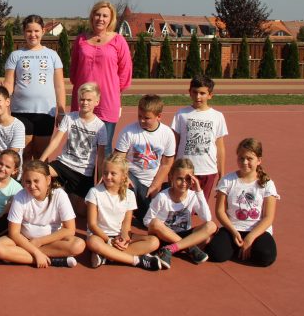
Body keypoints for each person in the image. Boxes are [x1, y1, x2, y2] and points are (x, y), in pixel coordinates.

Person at [0, 160, 84, 268]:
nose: (32, 186)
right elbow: (14, 233)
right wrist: (36, 252)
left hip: (51, 241)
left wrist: (39, 241)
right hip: (25, 240)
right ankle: (52, 260)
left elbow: (69, 229)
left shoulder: (59, 195)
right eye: (28, 182)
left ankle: (21, 256)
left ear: (48, 180)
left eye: (36, 181)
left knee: (78, 245)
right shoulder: (20, 197)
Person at [206, 138, 279, 267]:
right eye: (241, 158)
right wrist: (234, 232)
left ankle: (245, 247)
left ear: (259, 160)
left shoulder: (267, 184)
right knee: (215, 253)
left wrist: (250, 238)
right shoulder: (227, 180)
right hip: (232, 228)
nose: (245, 162)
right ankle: (237, 247)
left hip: (257, 231)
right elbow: (220, 211)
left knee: (266, 256)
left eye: (249, 159)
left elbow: (268, 217)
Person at [69, 0, 132, 148]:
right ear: (92, 16)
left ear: (111, 19)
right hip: (83, 99)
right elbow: (74, 70)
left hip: (107, 101)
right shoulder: (81, 39)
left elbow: (125, 72)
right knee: (79, 148)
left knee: (104, 148)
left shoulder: (118, 40)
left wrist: (113, 90)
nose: (101, 19)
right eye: (98, 14)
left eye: (105, 16)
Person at [85, 153, 162, 271]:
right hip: (100, 236)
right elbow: (92, 225)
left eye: (113, 173)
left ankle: (106, 256)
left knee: (154, 241)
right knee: (93, 242)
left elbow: (126, 226)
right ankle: (136, 260)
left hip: (118, 236)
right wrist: (109, 240)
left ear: (123, 176)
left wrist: (124, 239)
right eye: (105, 173)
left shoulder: (130, 195)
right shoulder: (94, 192)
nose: (108, 177)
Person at [4, 15, 66, 161]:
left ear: (43, 31)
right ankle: (22, 177)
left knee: (41, 155)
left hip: (46, 112)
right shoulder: (16, 55)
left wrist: (61, 111)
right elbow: (9, 84)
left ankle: (41, 177)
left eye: (36, 31)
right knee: (23, 154)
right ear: (23, 32)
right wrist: (1, 102)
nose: (33, 35)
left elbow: (59, 86)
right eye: (29, 31)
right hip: (21, 111)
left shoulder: (52, 55)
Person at [114, 94, 176, 224]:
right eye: (139, 116)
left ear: (159, 116)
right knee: (124, 182)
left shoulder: (167, 134)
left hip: (150, 181)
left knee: (149, 221)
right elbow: (118, 159)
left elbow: (166, 163)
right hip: (131, 177)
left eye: (147, 118)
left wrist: (156, 184)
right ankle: (123, 217)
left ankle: (139, 210)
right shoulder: (129, 131)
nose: (142, 120)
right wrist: (125, 176)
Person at [39, 82, 108, 200]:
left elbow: (100, 156)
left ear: (97, 102)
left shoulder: (100, 126)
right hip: (63, 163)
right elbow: (56, 141)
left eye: (89, 100)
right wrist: (41, 160)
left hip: (83, 172)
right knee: (38, 173)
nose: (85, 102)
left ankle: (65, 191)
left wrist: (101, 178)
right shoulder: (69, 117)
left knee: (78, 208)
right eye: (82, 99)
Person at [144, 158, 217, 268]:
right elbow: (147, 220)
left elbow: (207, 218)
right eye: (179, 179)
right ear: (171, 177)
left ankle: (171, 249)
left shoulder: (193, 196)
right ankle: (190, 248)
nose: (183, 183)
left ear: (193, 179)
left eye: (188, 179)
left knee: (211, 226)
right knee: (155, 223)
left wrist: (199, 191)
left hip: (184, 235)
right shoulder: (162, 197)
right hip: (165, 237)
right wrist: (160, 228)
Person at [171, 75, 228, 200]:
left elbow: (220, 147)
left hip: (207, 170)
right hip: (184, 169)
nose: (198, 96)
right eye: (195, 92)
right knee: (182, 203)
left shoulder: (217, 116)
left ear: (210, 95)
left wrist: (222, 174)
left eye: (202, 93)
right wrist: (172, 168)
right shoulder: (181, 114)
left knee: (201, 204)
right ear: (189, 92)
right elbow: (175, 144)